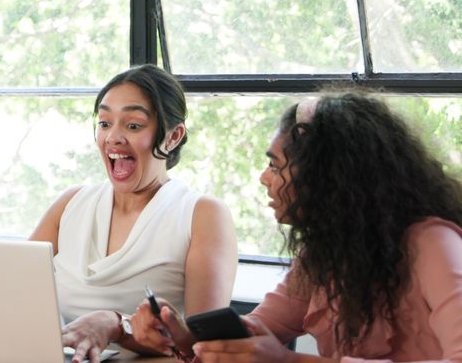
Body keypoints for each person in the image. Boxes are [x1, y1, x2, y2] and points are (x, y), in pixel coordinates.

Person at [134, 92, 462, 362]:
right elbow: (258, 331)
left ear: (328, 178)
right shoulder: (323, 255)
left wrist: (290, 361)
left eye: (275, 165)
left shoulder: (433, 244)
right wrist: (181, 334)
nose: (264, 178)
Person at [29, 64, 238, 363]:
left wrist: (116, 326)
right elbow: (13, 288)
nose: (113, 138)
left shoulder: (202, 214)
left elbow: (204, 349)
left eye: (133, 125)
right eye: (104, 123)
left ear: (173, 136)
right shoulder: (70, 203)